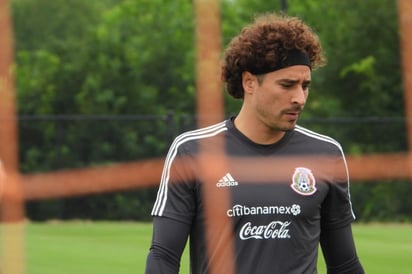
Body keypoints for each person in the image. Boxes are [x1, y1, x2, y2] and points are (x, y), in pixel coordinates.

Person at [145, 12, 364, 274]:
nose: (300, 98)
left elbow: (345, 264)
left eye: (305, 85)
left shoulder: (326, 154)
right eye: (287, 85)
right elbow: (163, 258)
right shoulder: (193, 151)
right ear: (249, 82)